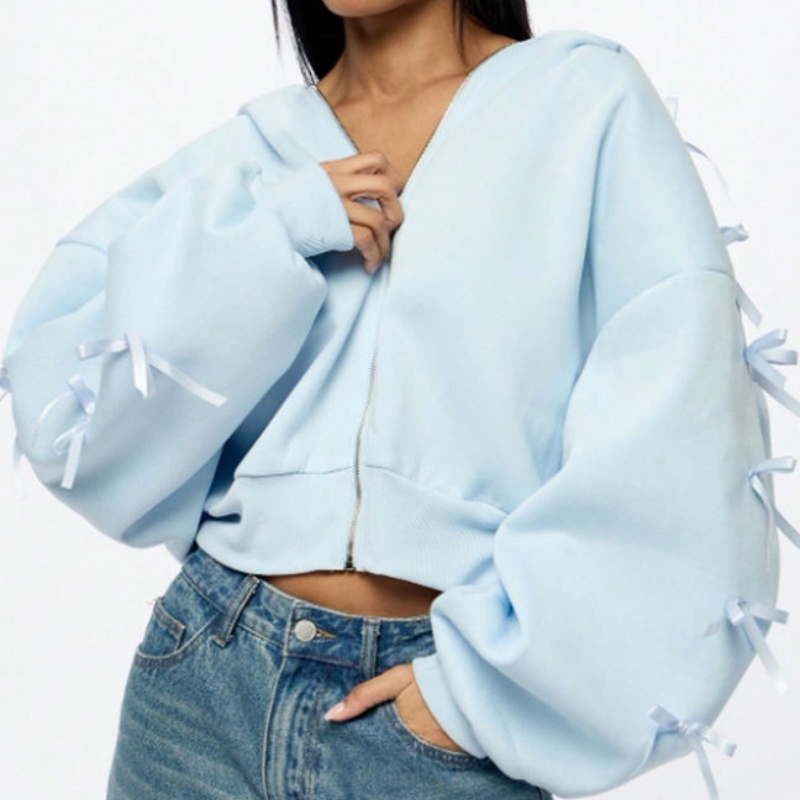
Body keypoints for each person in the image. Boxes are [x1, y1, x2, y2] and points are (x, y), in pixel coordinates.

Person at [2, 1, 797, 798]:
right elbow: (66, 408)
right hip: (203, 689)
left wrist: (471, 695)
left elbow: (679, 419)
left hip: (435, 716)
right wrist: (273, 230)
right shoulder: (260, 152)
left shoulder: (586, 104)